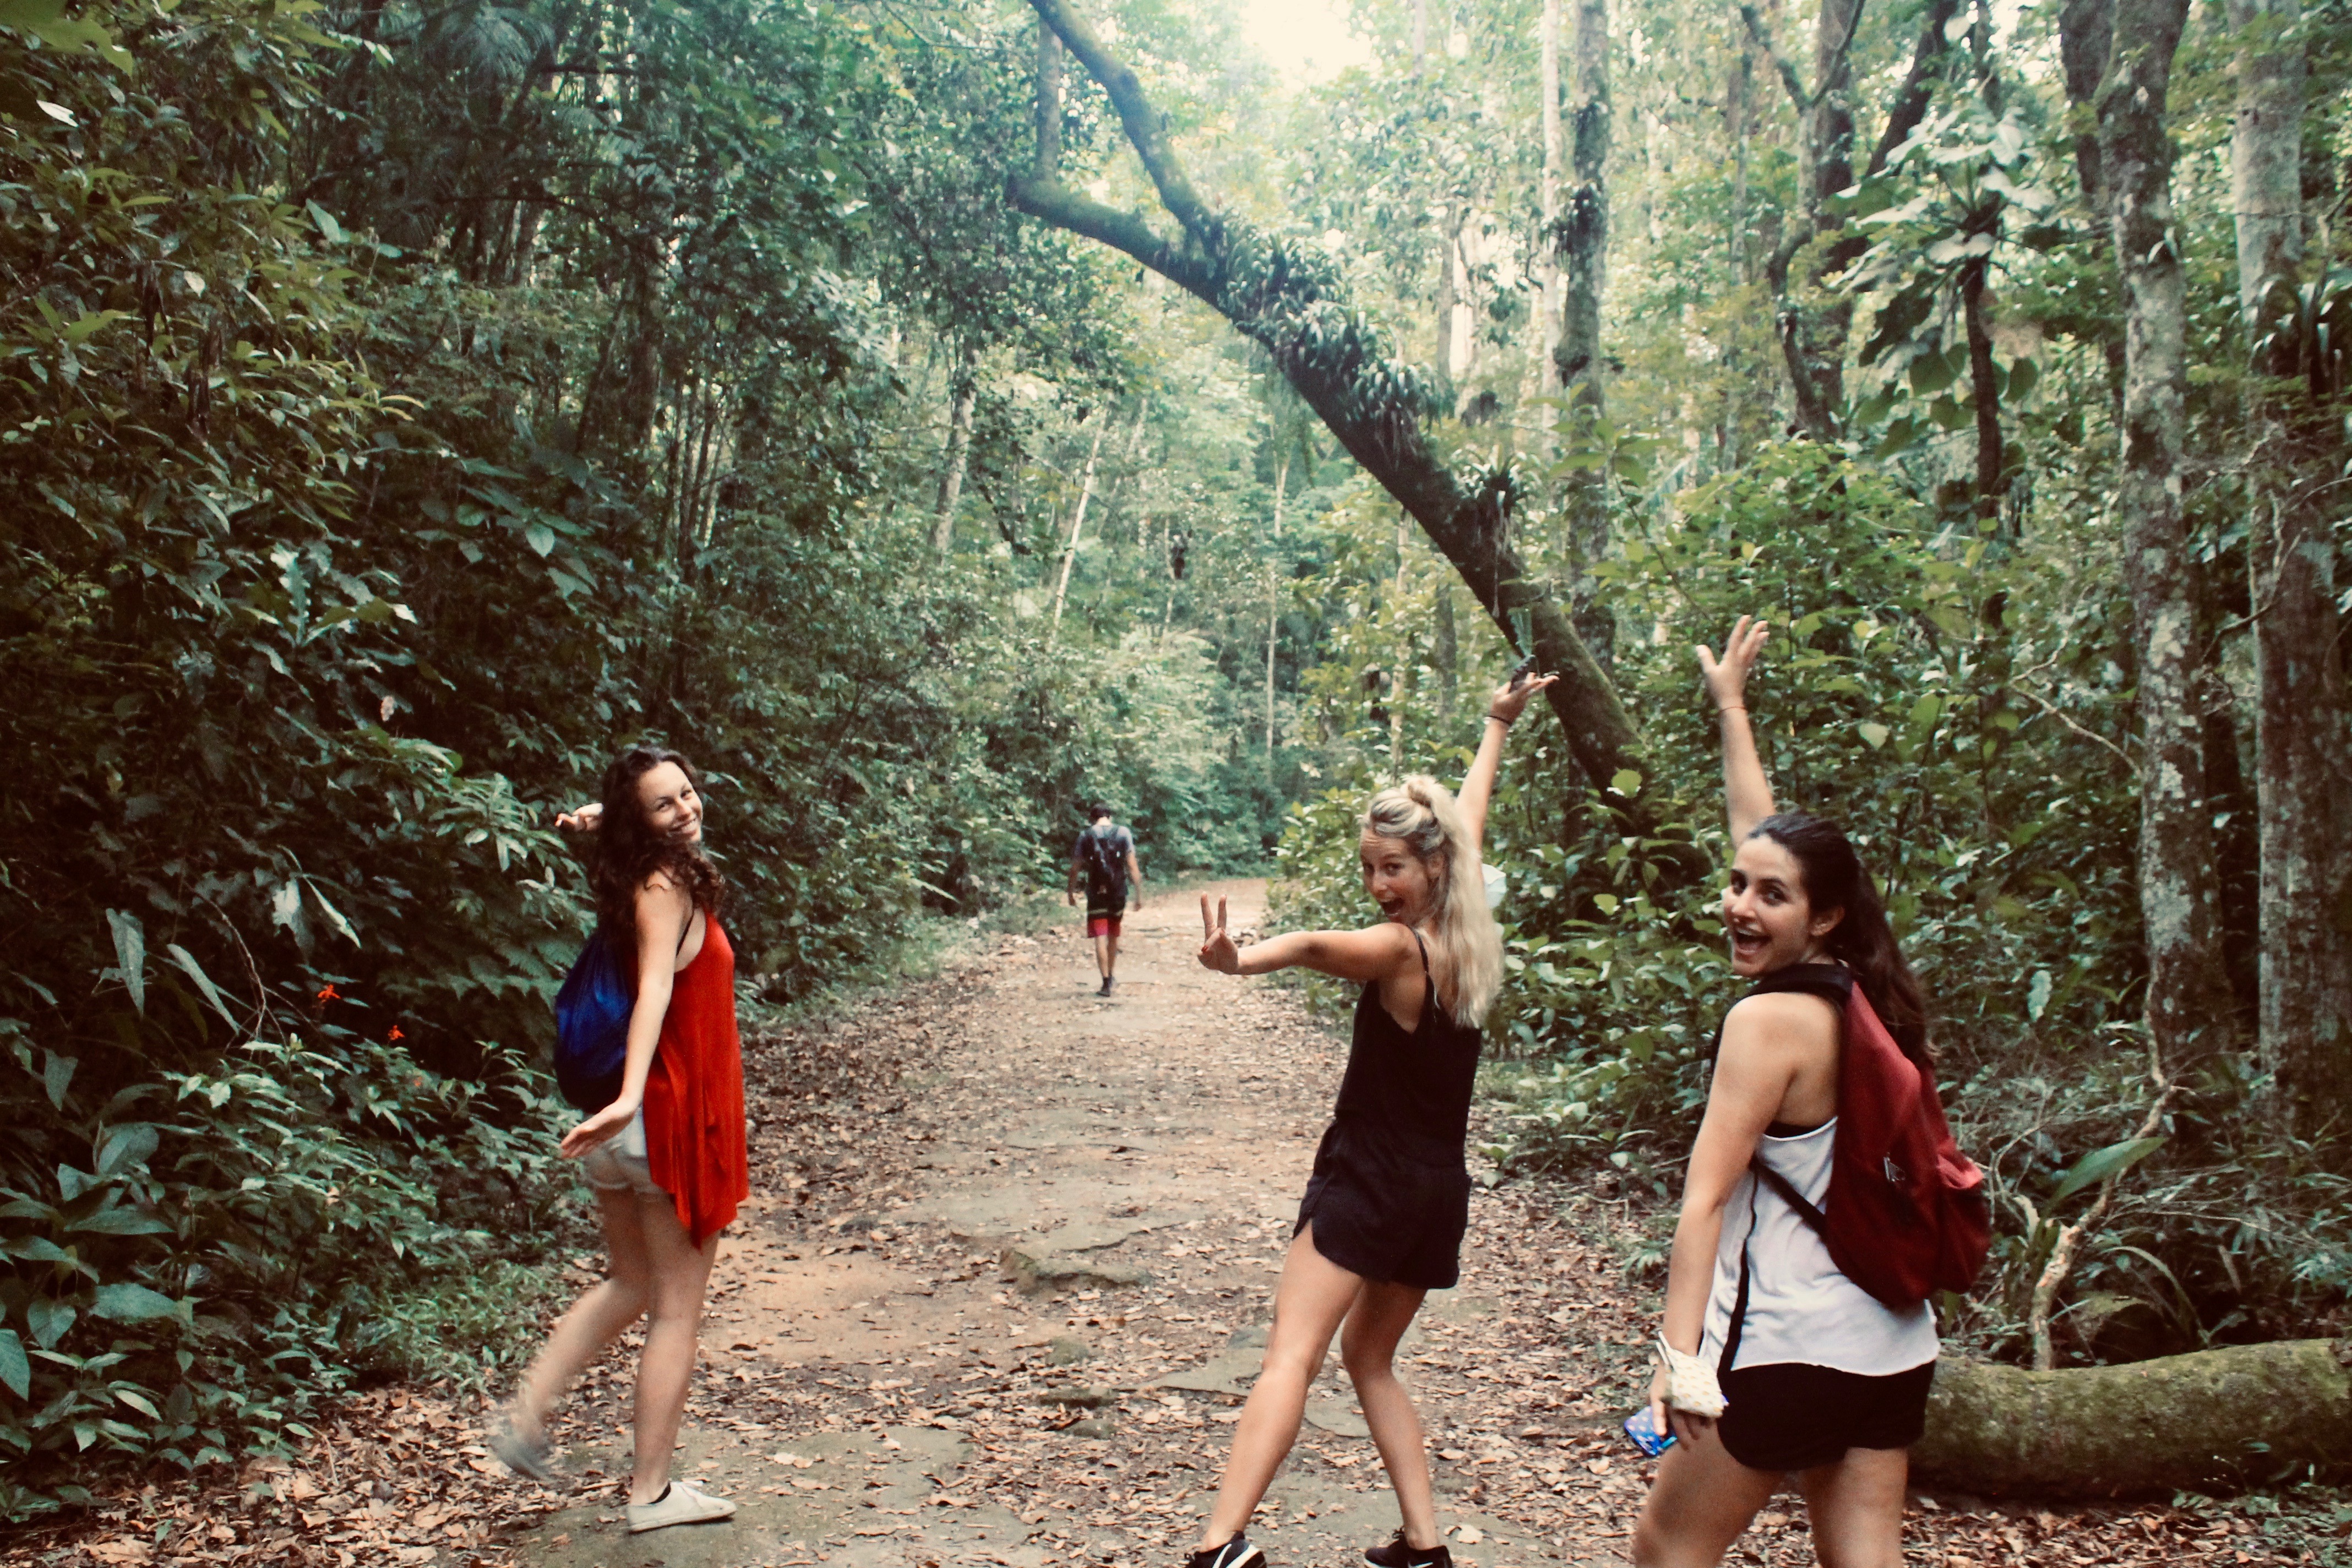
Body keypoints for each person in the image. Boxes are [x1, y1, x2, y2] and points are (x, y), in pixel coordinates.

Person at [1184, 667, 1556, 1568]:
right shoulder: (1468, 946)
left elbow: (1314, 946)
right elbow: (1471, 819)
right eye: (1368, 867)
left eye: (1392, 866)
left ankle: (1217, 1547)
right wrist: (1495, 723)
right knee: (1370, 1358)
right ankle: (1424, 1546)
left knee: (1290, 1355)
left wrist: (1244, 959)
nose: (1377, 882)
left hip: (1371, 1179)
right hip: (1434, 1189)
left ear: (1431, 866)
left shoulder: (1398, 950)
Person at [1631, 616, 1938, 1568]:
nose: (1739, 905)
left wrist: (1681, 1363)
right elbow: (1765, 841)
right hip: (1892, 1343)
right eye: (1735, 886)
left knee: (1665, 1548)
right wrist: (1730, 706)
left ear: (1823, 913)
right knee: (1863, 1555)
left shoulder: (1765, 1023)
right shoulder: (1865, 987)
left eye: (1769, 897)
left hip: (1784, 1345)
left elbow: (1706, 1196)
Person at [489, 744, 750, 1534]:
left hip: (615, 1131)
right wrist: (635, 1093)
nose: (688, 809)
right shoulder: (667, 885)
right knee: (676, 1311)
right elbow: (657, 995)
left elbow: (629, 831)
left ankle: (525, 1414)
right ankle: (651, 1495)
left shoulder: (629, 870)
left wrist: (602, 818)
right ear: (643, 822)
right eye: (665, 804)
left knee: (629, 1284)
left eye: (689, 792)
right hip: (656, 1117)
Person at [1067, 802, 1144, 996]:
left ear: (1092, 818)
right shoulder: (1123, 833)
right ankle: (1112, 973)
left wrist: (1070, 892)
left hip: (1095, 892)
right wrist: (1139, 895)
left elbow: (1075, 868)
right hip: (1118, 891)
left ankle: (1106, 981)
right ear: (1109, 816)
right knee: (1113, 935)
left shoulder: (1086, 835)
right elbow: (1132, 866)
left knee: (1100, 935)